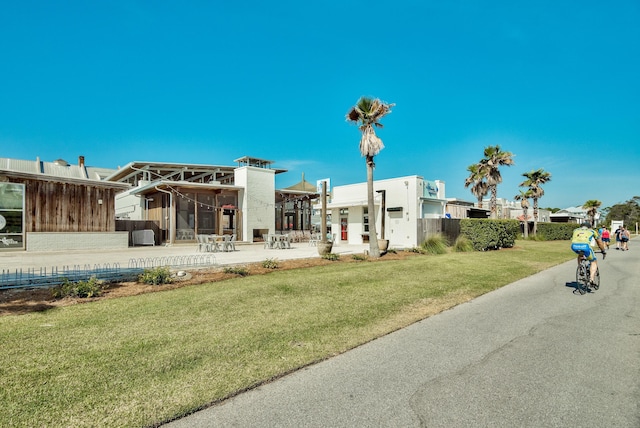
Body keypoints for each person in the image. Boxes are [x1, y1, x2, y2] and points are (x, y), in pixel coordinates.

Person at [571, 221, 606, 286]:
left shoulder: (575, 230)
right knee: (593, 261)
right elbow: (599, 242)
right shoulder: (592, 231)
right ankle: (591, 279)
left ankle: (580, 267)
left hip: (574, 246)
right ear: (589, 227)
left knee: (580, 254)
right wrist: (603, 250)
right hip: (585, 246)